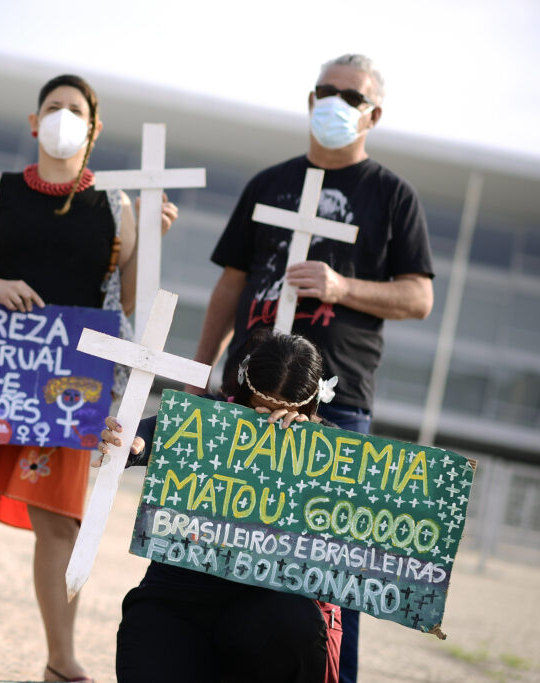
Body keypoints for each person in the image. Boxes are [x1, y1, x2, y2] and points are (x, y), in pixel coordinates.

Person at [0, 74, 177, 681]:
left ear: (94, 128)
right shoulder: (0, 189)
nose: (62, 117)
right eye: (52, 107)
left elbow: (126, 304)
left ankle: (61, 659)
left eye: (74, 110)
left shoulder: (117, 204)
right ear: (34, 123)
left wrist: (150, 243)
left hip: (70, 380)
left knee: (59, 519)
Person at [186, 54, 434, 683]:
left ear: (373, 114)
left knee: (327, 569)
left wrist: (343, 287)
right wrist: (200, 367)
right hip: (246, 395)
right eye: (325, 91)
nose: (334, 102)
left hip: (335, 401)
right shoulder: (269, 183)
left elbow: (419, 297)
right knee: (218, 546)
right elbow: (231, 283)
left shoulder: (392, 196)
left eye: (350, 96)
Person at [100, 331, 342, 683]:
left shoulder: (333, 448)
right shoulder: (205, 420)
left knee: (295, 623)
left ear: (307, 408)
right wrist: (125, 443)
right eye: (257, 410)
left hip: (266, 618)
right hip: (176, 604)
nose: (265, 425)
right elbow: (144, 438)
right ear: (242, 394)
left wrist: (314, 450)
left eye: (280, 415)